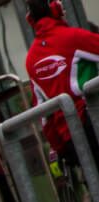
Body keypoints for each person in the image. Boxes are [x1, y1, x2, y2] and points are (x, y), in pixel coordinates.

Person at [25, 0, 99, 167]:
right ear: (55, 9)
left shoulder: (31, 59)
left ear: (30, 20)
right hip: (92, 122)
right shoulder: (72, 37)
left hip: (69, 138)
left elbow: (43, 116)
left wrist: (61, 149)